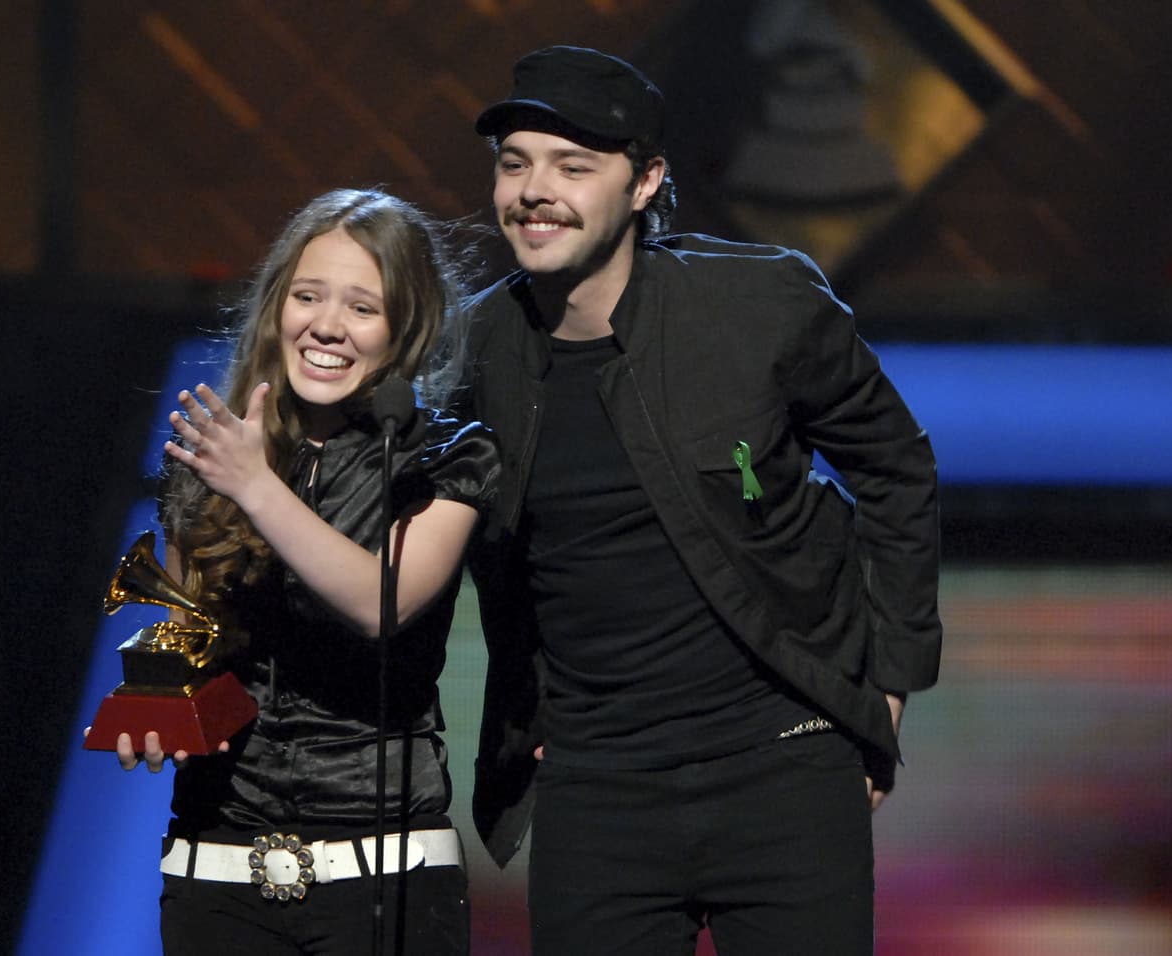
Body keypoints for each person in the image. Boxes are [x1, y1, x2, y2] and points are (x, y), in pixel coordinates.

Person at [462, 46, 942, 955]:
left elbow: (897, 470)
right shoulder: (476, 350)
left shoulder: (759, 304)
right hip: (597, 795)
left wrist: (890, 689)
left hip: (784, 769)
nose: (535, 190)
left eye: (573, 165)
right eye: (515, 162)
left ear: (645, 182)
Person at [105, 188, 497, 956]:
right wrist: (158, 717)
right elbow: (196, 634)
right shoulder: (214, 453)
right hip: (214, 866)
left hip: (385, 872)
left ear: (406, 327)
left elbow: (381, 603)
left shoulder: (450, 457)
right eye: (307, 296)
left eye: (362, 307)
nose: (325, 326)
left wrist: (257, 486)